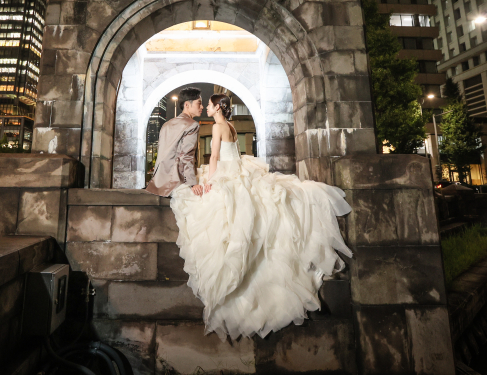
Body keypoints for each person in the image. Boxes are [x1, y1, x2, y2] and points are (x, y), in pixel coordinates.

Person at [170, 94, 353, 341]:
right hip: (239, 170)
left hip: (227, 173)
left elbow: (214, 158)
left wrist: (211, 181)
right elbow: (231, 153)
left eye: (210, 105)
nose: (207, 108)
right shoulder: (231, 127)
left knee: (204, 207)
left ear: (217, 108)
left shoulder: (217, 127)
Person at [145, 87, 206, 198]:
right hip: (175, 181)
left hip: (158, 181)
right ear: (187, 105)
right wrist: (192, 184)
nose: (202, 107)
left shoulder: (166, 124)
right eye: (199, 103)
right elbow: (187, 156)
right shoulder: (192, 125)